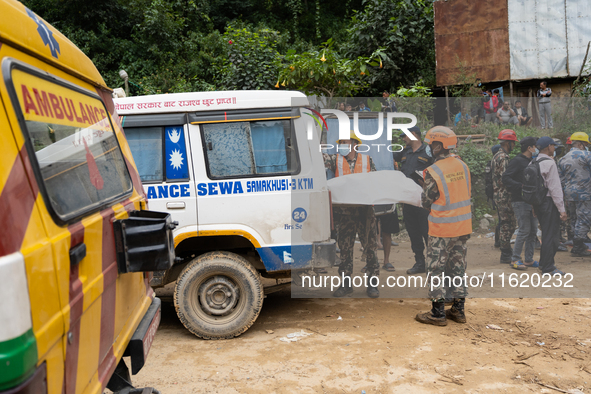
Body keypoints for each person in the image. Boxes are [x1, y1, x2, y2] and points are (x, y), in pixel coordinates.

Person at [415, 126, 472, 326]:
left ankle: (437, 313)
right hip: (462, 227)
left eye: (431, 144)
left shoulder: (433, 171)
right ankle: (458, 310)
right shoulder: (462, 165)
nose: (430, 148)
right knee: (458, 267)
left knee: (435, 269)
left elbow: (427, 200)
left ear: (439, 146)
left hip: (441, 229)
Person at [323, 132, 380, 297]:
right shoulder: (335, 159)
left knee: (370, 248)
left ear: (355, 144)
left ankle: (372, 284)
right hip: (345, 213)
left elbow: (376, 181)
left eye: (345, 142)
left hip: (365, 212)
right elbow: (318, 157)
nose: (341, 145)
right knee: (345, 249)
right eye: (340, 142)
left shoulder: (367, 160)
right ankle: (346, 283)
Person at [392, 126, 433, 274]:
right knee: (413, 232)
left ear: (414, 134)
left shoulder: (428, 151)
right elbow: (388, 155)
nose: (403, 138)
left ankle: (433, 263)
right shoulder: (404, 152)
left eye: (405, 136)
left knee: (427, 231)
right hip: (408, 200)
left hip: (424, 200)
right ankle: (419, 262)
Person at [531, 137, 567, 275]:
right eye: (553, 146)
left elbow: (532, 187)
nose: (555, 148)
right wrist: (562, 209)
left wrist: (534, 206)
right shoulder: (550, 163)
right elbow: (555, 188)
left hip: (539, 203)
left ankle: (543, 264)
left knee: (546, 233)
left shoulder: (533, 161)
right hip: (549, 202)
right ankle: (548, 268)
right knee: (551, 236)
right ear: (548, 147)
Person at [501, 137, 539, 270]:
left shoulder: (533, 161)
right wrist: (521, 186)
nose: (536, 149)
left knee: (533, 230)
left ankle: (528, 259)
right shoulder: (517, 161)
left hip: (532, 201)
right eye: (535, 146)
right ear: (529, 148)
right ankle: (515, 259)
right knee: (524, 230)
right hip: (520, 201)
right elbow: (506, 177)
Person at [558, 132, 591, 257]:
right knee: (584, 219)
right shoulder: (587, 155)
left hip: (569, 194)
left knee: (575, 218)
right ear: (581, 144)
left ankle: (576, 241)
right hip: (585, 193)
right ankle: (578, 246)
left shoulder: (563, 158)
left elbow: (560, 179)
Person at [492, 129, 518, 264]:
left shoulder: (497, 155)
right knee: (508, 224)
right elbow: (505, 179)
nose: (514, 146)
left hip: (500, 194)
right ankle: (506, 252)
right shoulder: (503, 158)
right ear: (508, 143)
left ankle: (506, 250)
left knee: (506, 223)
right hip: (504, 195)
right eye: (513, 143)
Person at [485, 144, 502, 247]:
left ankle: (498, 240)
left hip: (492, 193)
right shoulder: (497, 163)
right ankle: (499, 241)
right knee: (502, 219)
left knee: (500, 218)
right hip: (498, 193)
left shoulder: (490, 163)